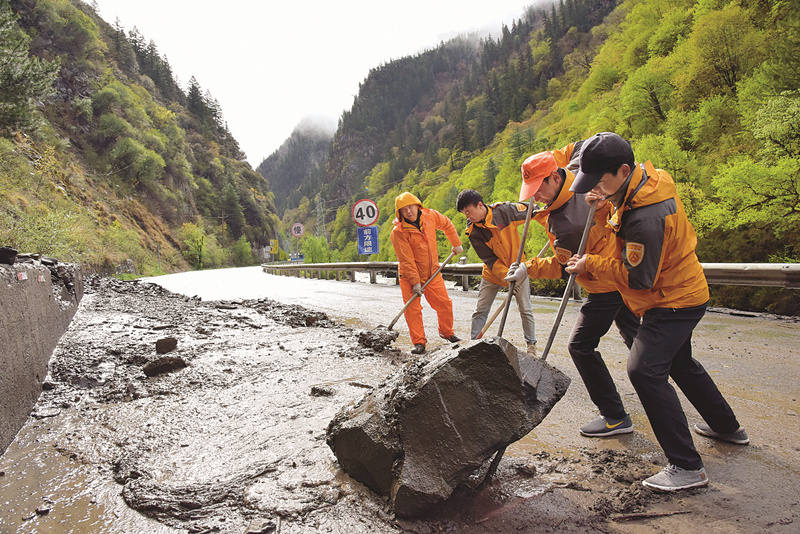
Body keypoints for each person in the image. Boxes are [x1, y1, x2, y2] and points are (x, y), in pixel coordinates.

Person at [565, 132, 748, 492]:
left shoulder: (644, 216)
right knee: (680, 364)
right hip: (685, 288)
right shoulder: (645, 182)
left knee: (643, 370)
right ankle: (727, 428)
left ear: (622, 170)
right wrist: (604, 208)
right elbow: (623, 233)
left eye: (601, 180)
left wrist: (592, 263)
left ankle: (686, 467)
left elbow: (640, 278)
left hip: (671, 299)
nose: (596, 187)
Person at [505, 149, 640, 438]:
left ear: (555, 177)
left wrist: (529, 268)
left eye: (538, 188)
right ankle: (715, 416)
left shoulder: (572, 214)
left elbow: (566, 265)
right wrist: (527, 268)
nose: (535, 197)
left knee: (580, 346)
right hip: (616, 277)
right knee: (644, 347)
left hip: (606, 282)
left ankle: (615, 416)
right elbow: (566, 262)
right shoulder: (573, 186)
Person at [456, 189, 537, 353]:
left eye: (468, 212)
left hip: (518, 268)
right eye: (465, 214)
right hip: (492, 273)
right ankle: (474, 344)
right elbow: (489, 259)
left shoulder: (504, 211)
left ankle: (531, 346)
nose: (467, 217)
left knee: (526, 309)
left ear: (480, 205)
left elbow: (532, 210)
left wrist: (547, 217)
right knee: (480, 310)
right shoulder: (473, 231)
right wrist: (507, 275)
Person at [390, 192, 463, 354]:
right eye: (404, 209)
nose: (408, 211)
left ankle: (447, 332)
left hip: (432, 272)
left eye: (411, 207)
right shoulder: (398, 232)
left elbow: (447, 225)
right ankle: (419, 342)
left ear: (417, 205)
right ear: (399, 213)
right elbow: (406, 260)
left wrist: (456, 243)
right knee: (413, 310)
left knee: (444, 304)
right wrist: (415, 282)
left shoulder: (430, 216)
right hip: (409, 277)